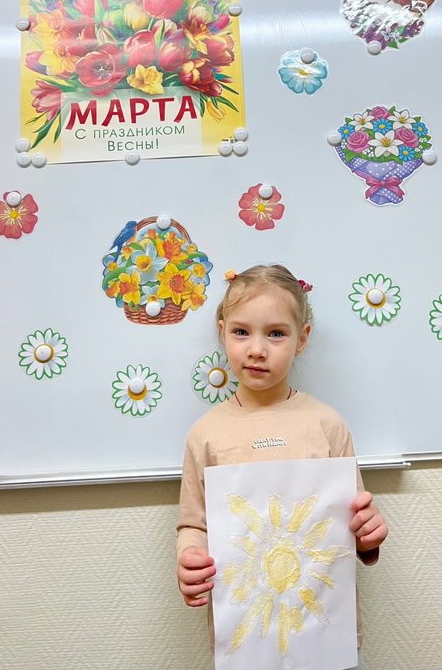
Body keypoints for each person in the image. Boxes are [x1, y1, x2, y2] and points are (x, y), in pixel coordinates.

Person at [176, 264, 388, 669]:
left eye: (276, 333)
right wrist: (190, 556)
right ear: (222, 332)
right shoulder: (205, 434)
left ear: (302, 338)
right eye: (241, 332)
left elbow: (355, 525)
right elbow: (194, 523)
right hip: (246, 639)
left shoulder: (327, 425)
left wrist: (369, 535)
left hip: (325, 637)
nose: (257, 349)